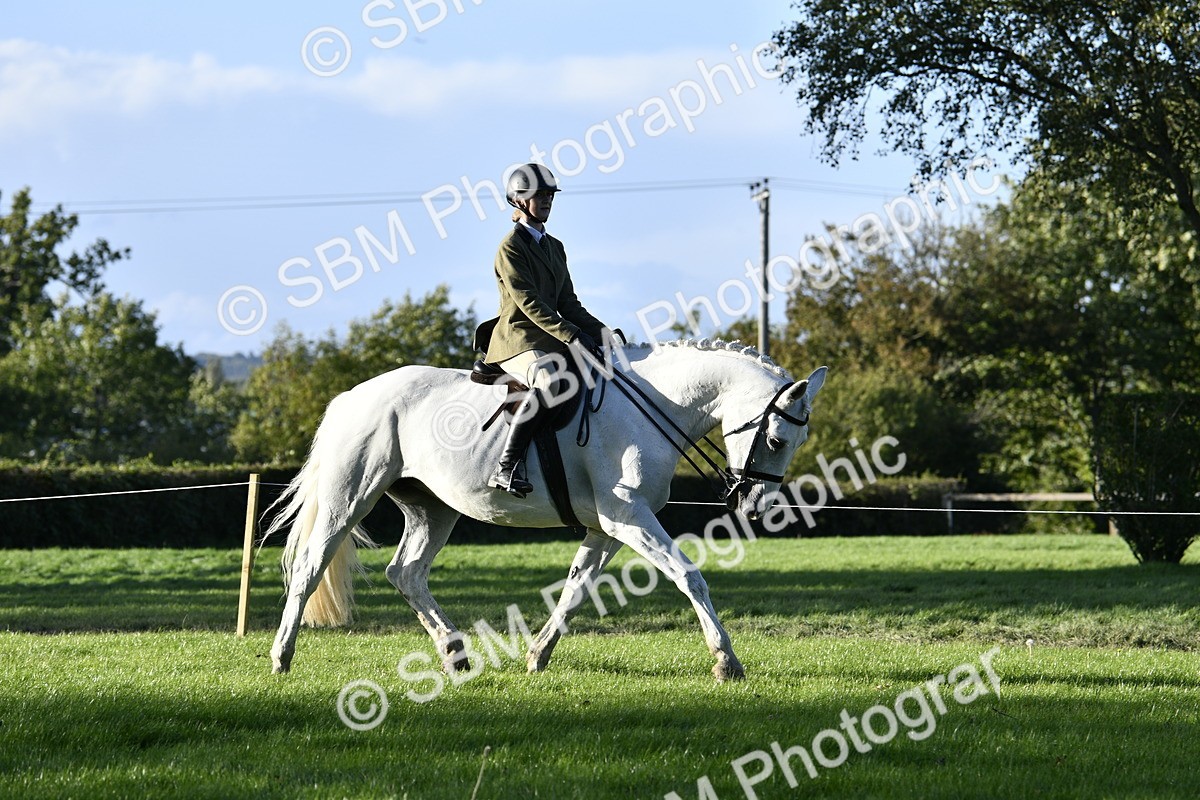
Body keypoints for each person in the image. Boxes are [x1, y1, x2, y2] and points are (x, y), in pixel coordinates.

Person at [473, 163, 610, 498]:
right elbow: (528, 303)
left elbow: (569, 304)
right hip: (518, 339)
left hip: (551, 337)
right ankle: (506, 467)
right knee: (549, 381)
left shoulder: (555, 247)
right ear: (520, 201)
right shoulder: (510, 248)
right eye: (539, 195)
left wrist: (603, 333)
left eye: (550, 195)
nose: (547, 200)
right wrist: (574, 336)